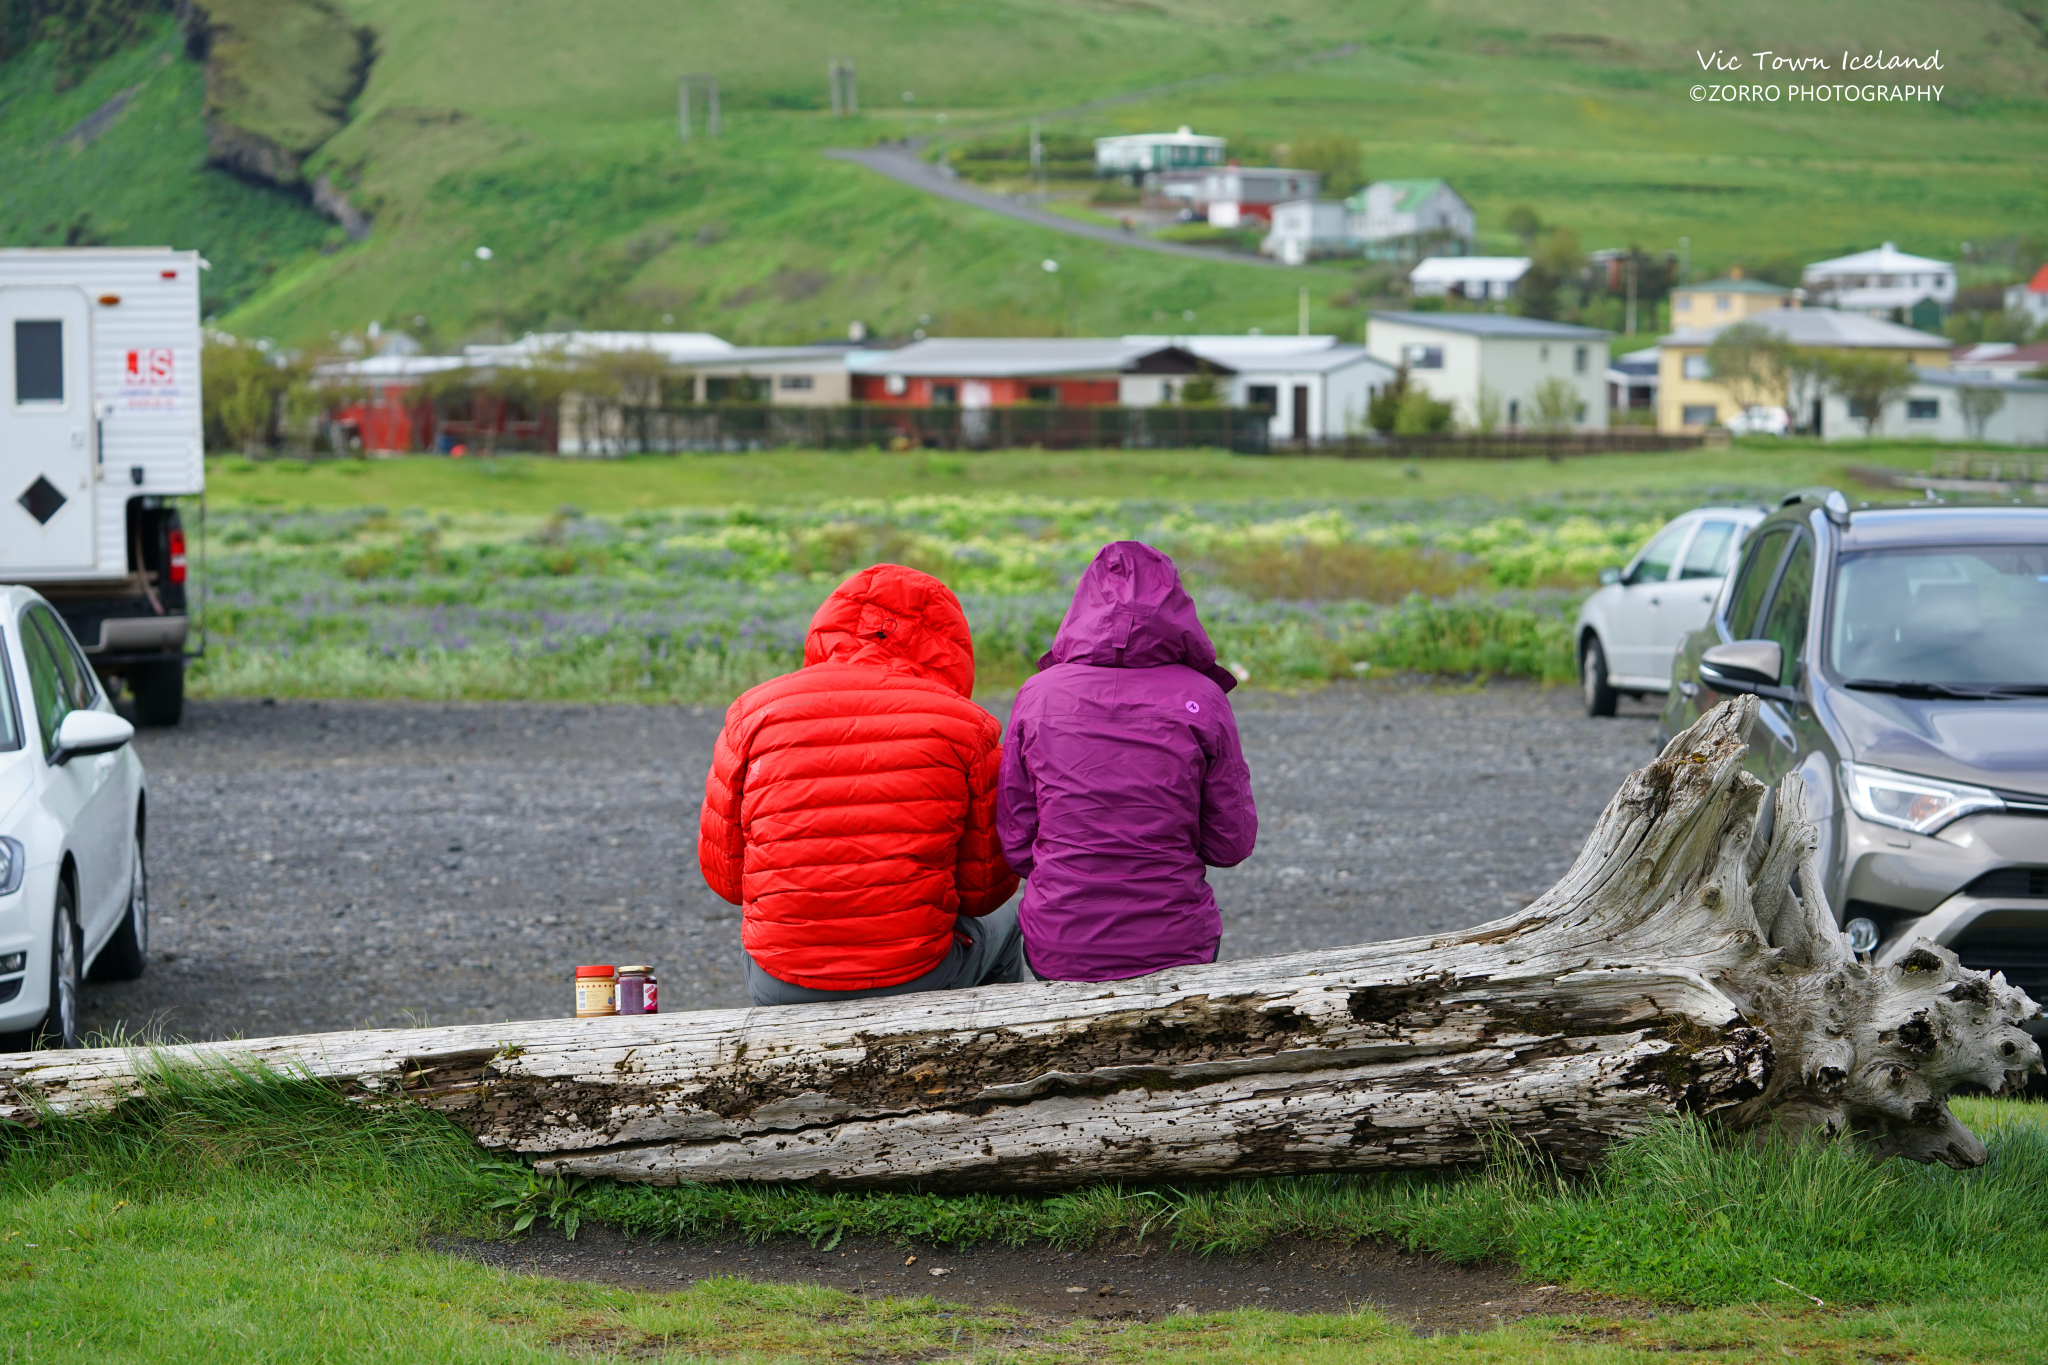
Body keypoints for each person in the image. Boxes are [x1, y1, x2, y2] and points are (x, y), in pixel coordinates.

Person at [699, 564, 1023, 1005]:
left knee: (763, 933)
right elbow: (984, 889)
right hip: (917, 974)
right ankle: (986, 1058)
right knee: (1007, 922)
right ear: (945, 643)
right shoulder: (968, 726)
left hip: (784, 980)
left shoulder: (752, 713)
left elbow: (729, 880)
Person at [997, 541, 1257, 982]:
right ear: (1176, 605)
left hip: (1061, 939)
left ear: (1084, 602)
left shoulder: (1037, 694)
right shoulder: (1202, 697)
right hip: (1176, 941)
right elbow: (1230, 844)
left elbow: (1017, 841)